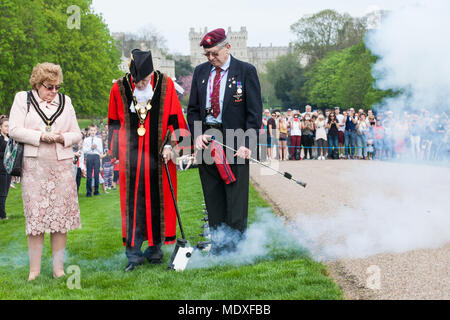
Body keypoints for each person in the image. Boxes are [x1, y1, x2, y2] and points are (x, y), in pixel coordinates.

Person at [107, 49, 189, 271]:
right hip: (130, 159)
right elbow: (114, 121)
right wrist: (115, 152)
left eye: (144, 80)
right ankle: (133, 254)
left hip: (159, 157)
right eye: (137, 81)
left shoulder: (166, 85)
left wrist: (171, 145)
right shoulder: (119, 87)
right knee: (133, 205)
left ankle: (155, 250)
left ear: (151, 74)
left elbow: (175, 119)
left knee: (159, 202)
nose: (140, 85)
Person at [187, 28, 262, 254]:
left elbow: (254, 112)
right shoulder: (200, 72)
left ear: (227, 47)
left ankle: (237, 249)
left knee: (236, 198)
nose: (211, 58)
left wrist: (247, 143)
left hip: (235, 140)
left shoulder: (246, 71)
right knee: (213, 196)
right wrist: (197, 133)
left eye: (214, 53)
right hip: (207, 140)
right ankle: (219, 246)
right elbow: (192, 110)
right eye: (207, 54)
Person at [9, 62, 82, 281]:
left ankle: (58, 269)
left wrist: (62, 138)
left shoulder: (66, 101)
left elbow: (77, 133)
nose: (54, 91)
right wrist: (40, 136)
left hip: (62, 167)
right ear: (38, 84)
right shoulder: (23, 99)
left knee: (60, 220)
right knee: (36, 221)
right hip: (34, 167)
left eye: (57, 87)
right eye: (49, 87)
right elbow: (14, 129)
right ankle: (35, 271)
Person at [82, 124, 103, 197]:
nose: (93, 132)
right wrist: (91, 147)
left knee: (97, 175)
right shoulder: (86, 140)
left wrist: (96, 147)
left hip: (96, 157)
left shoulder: (99, 140)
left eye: (94, 130)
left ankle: (96, 191)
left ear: (96, 131)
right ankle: (88, 192)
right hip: (89, 156)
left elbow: (101, 151)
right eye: (91, 130)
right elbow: (84, 151)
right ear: (89, 131)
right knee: (89, 175)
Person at [0, 117, 11, 220]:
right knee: (2, 193)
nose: (8, 128)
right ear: (0, 127)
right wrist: (7, 154)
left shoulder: (10, 138)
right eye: (5, 126)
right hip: (1, 170)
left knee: (5, 192)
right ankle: (2, 216)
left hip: (7, 169)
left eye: (9, 126)